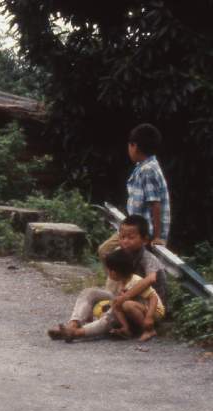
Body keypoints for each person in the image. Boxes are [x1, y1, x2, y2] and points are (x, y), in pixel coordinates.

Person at [48, 248, 154, 342]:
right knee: (90, 292)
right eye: (122, 237)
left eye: (130, 237)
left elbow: (152, 288)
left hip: (134, 309)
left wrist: (148, 317)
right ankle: (72, 325)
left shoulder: (146, 259)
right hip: (120, 300)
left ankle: (76, 333)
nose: (125, 241)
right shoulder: (119, 256)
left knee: (111, 313)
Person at [100, 123, 171, 255]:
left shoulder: (148, 170)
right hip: (133, 228)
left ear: (134, 146)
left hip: (143, 233)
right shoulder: (142, 166)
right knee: (105, 250)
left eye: (129, 145)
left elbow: (155, 204)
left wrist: (157, 237)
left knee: (108, 252)